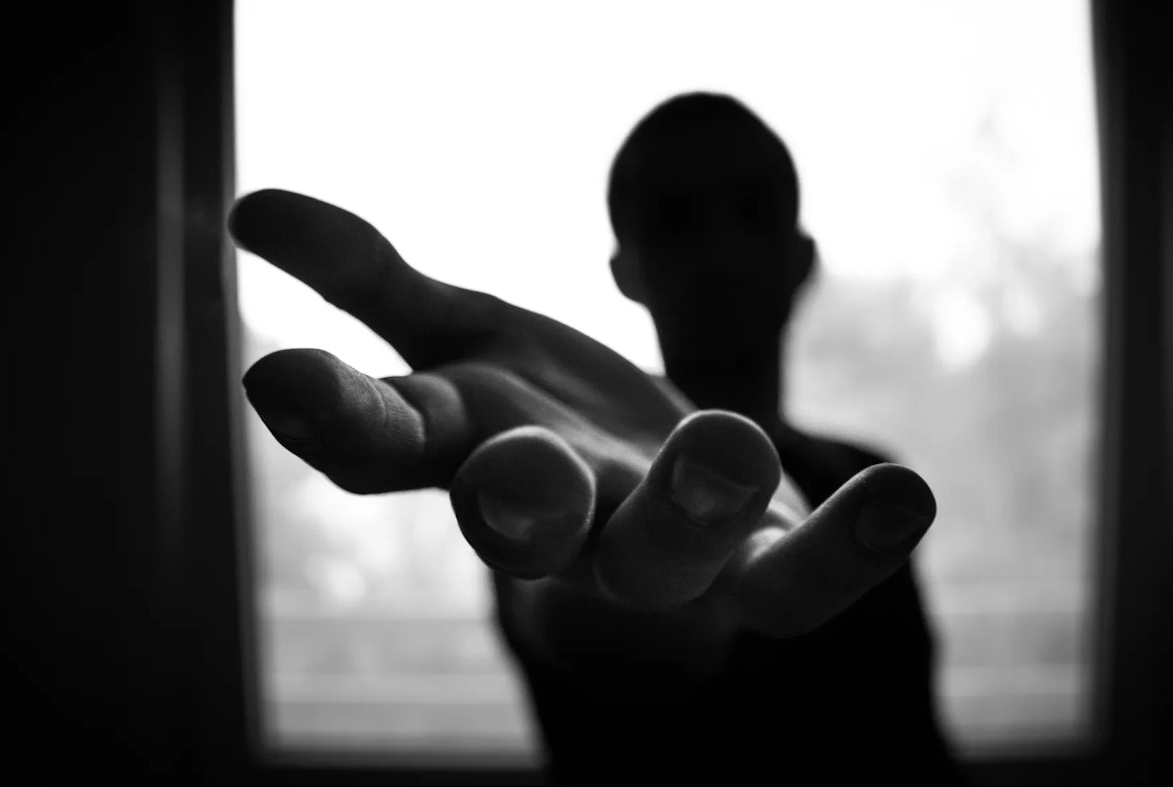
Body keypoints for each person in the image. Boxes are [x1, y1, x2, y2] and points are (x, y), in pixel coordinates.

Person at [231, 92, 957, 784]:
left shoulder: (864, 476)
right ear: (625, 271)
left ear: (803, 259)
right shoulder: (576, 485)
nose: (720, 246)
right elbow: (584, 628)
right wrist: (636, 594)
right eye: (675, 217)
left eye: (753, 209)